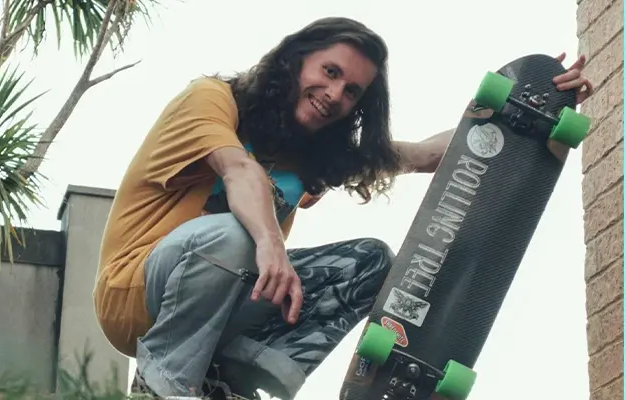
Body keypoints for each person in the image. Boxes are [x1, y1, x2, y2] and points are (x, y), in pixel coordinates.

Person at [93, 17, 593, 400]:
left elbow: (428, 154)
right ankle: (162, 386)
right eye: (329, 73)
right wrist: (271, 246)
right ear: (295, 61)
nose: (334, 95)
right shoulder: (210, 100)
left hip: (227, 299)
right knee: (238, 233)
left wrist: (532, 103)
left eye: (351, 90)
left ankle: (229, 377)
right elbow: (241, 174)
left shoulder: (314, 154)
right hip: (135, 293)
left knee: (370, 261)